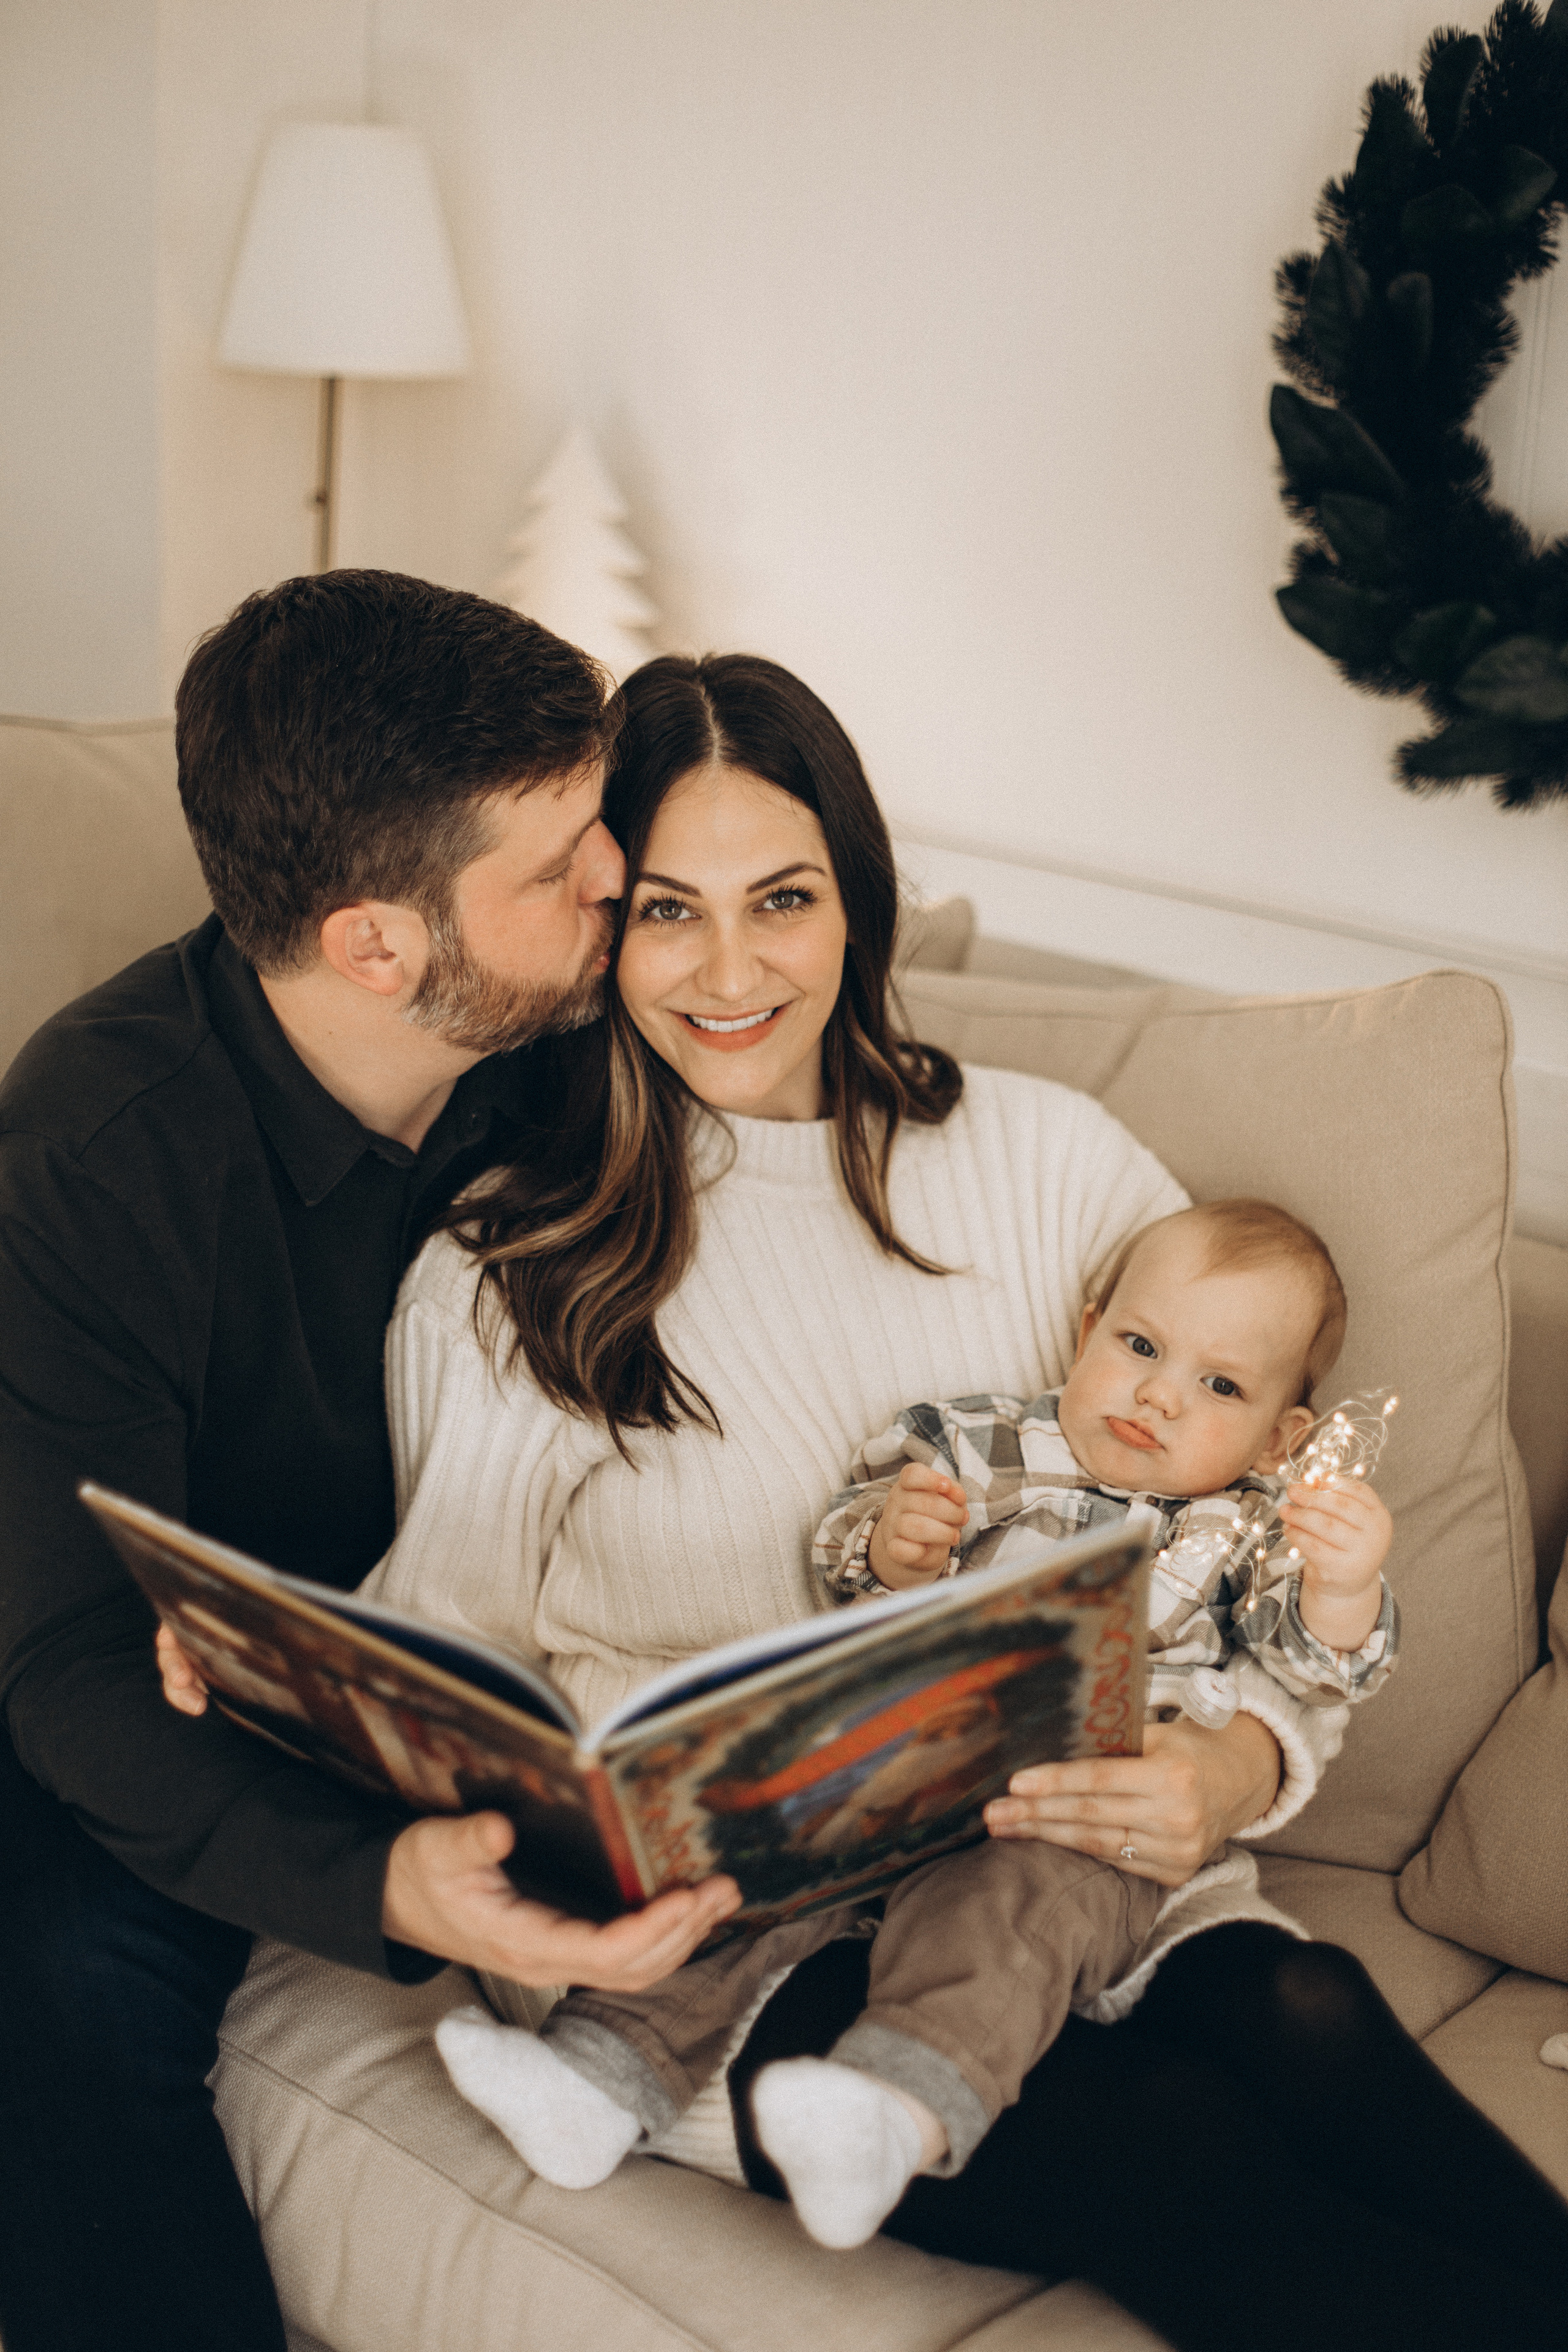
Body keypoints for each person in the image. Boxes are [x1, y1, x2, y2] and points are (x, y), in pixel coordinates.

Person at [206, 648, 1558, 2349]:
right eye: (669, 911)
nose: (729, 972)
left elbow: (1243, 1540)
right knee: (1165, 2144)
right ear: (602, 926)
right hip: (739, 1932)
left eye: (782, 898)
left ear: (856, 899)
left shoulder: (1056, 1166)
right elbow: (449, 1668)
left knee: (1307, 2010)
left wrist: (1229, 1771)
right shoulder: (512, 1270)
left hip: (1063, 1866)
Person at [0, 573, 740, 2352]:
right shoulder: (94, 1155)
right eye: (557, 862)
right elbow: (70, 1657)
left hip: (515, 1671)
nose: (617, 877)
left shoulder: (586, 1047)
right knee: (57, 1989)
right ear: (375, 947)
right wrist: (385, 1887)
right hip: (179, 1689)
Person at [432, 1197, 1403, 2252]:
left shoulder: (1254, 1530)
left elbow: (1315, 1669)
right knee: (753, 1873)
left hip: (1077, 1818)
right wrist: (895, 1547)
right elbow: (848, 1550)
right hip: (913, 1761)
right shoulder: (982, 1443)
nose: (1160, 1396)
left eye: (1221, 1387)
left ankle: (893, 2110)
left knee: (1000, 1915)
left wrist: (1344, 1586)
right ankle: (596, 2077)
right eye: (1139, 1346)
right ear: (1087, 1332)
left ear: (1281, 1437)